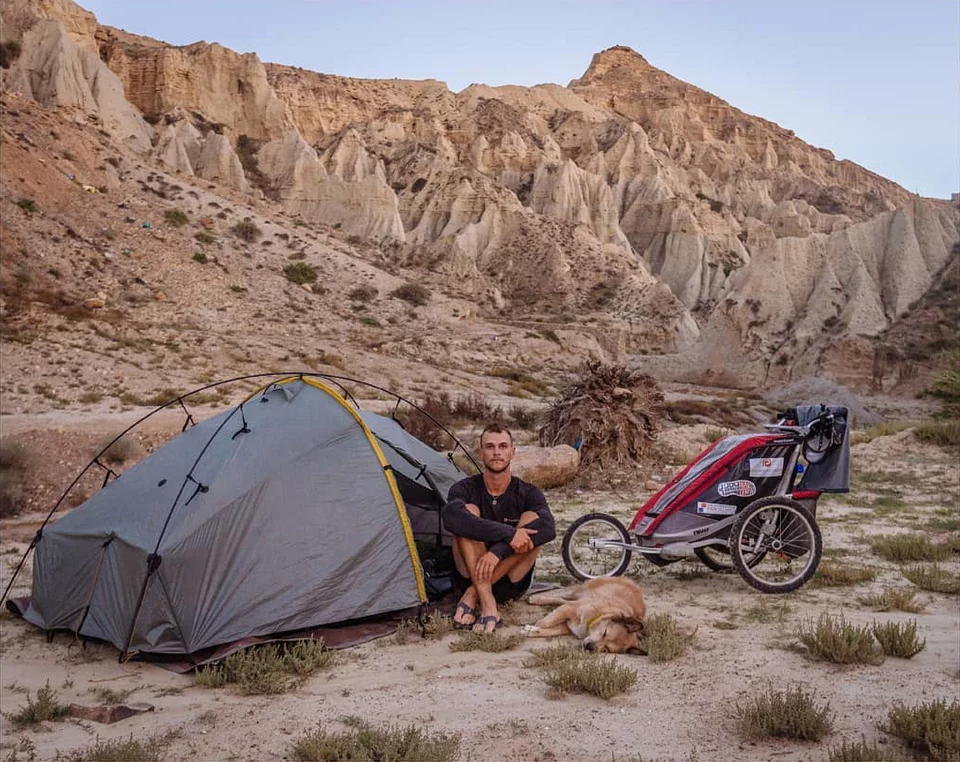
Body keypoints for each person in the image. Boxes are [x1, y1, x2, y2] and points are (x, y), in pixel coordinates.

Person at [443, 423, 556, 632]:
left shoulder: (528, 492)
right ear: (481, 452)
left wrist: (497, 552)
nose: (497, 452)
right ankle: (487, 604)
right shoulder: (464, 488)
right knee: (466, 513)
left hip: (510, 581)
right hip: (468, 572)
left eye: (503, 446)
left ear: (512, 452)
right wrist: (510, 534)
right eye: (490, 446)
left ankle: (473, 594)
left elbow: (549, 528)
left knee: (533, 520)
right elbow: (451, 517)